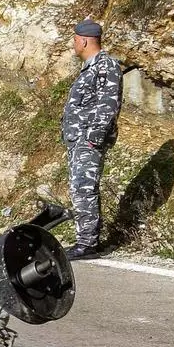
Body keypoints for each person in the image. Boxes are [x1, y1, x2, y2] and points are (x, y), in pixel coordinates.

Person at [60, 18, 122, 260]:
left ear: (84, 41)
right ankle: (85, 239)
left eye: (75, 40)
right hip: (78, 139)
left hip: (88, 140)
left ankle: (87, 244)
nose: (74, 45)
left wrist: (92, 138)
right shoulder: (91, 68)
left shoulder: (106, 65)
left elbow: (109, 104)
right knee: (79, 189)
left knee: (84, 188)